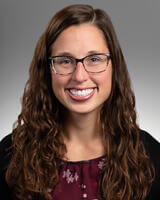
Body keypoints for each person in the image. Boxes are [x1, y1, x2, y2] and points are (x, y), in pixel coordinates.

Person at [0, 4, 159, 200]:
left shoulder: (150, 155)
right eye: (65, 61)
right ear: (47, 70)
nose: (80, 76)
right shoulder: (10, 156)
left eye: (94, 59)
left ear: (113, 67)